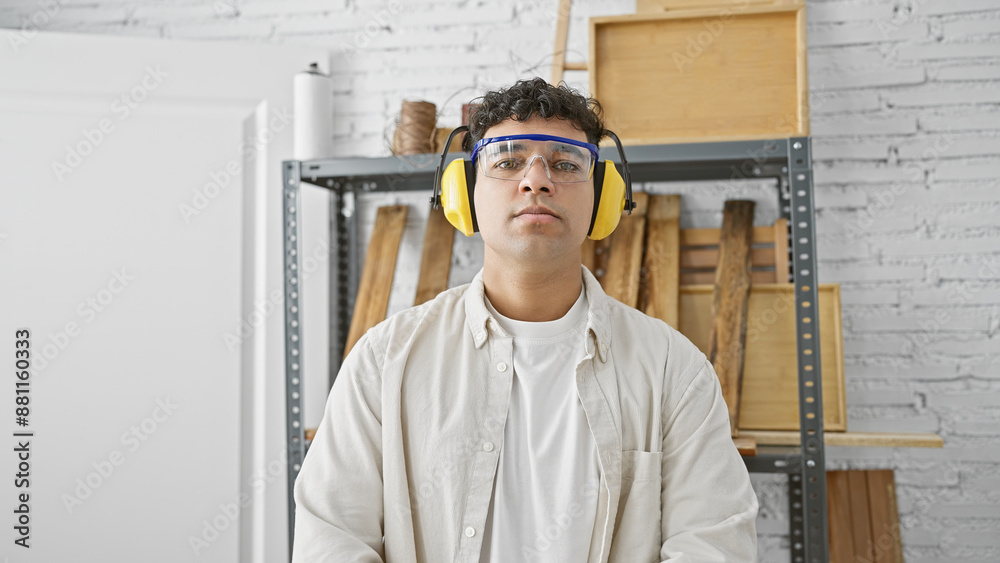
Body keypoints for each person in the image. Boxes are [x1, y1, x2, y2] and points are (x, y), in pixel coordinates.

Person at [292, 77, 758, 562]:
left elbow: (714, 546)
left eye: (565, 163)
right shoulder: (383, 362)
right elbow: (331, 541)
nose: (537, 180)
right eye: (509, 161)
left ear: (602, 197)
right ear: (463, 192)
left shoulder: (673, 371)